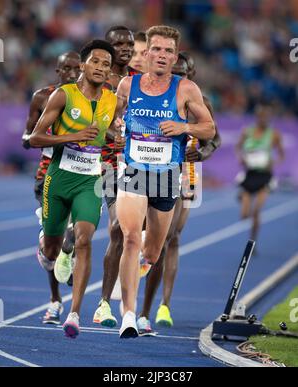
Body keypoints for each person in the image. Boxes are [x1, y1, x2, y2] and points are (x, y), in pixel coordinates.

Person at [115, 25, 215, 338]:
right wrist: (115, 127)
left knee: (153, 252)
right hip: (133, 170)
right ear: (145, 55)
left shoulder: (186, 89)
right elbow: (109, 120)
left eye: (168, 51)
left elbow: (209, 129)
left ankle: (144, 261)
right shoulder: (126, 86)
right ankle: (128, 315)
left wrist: (183, 126)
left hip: (167, 176)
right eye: (155, 49)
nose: (161, 55)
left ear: (174, 57)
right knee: (130, 237)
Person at [29, 39, 117, 338]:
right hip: (58, 178)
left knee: (84, 239)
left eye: (106, 64)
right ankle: (46, 245)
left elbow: (105, 134)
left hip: (89, 181)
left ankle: (75, 312)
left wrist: (112, 138)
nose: (101, 68)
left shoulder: (112, 100)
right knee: (53, 248)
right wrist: (72, 136)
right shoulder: (62, 95)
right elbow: (35, 138)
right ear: (83, 64)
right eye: (95, 62)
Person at [137, 52, 221, 334]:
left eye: (185, 73)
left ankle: (163, 304)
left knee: (171, 238)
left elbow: (214, 139)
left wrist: (202, 152)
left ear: (192, 74)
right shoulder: (154, 95)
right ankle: (134, 289)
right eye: (177, 72)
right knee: (144, 232)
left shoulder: (198, 100)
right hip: (151, 167)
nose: (180, 77)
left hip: (187, 172)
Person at [22, 52, 81, 325]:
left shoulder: (93, 99)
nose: (71, 73)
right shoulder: (42, 97)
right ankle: (55, 300)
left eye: (76, 69)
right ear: (57, 69)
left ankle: (67, 255)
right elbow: (28, 135)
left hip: (82, 173)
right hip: (48, 172)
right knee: (54, 244)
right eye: (66, 68)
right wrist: (50, 140)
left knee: (74, 238)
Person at [92, 26, 141, 328]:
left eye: (129, 43)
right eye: (118, 43)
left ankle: (114, 306)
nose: (125, 48)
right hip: (105, 163)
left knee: (128, 234)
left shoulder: (141, 80)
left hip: (136, 163)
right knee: (115, 229)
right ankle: (104, 304)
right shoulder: (96, 81)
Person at [236, 105, 284, 249]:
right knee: (245, 215)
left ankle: (253, 241)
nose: (264, 119)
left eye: (266, 117)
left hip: (265, 176)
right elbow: (238, 148)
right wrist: (241, 158)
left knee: (256, 211)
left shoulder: (274, 134)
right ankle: (242, 196)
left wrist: (273, 162)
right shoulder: (247, 132)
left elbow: (282, 155)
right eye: (261, 117)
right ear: (257, 117)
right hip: (250, 175)